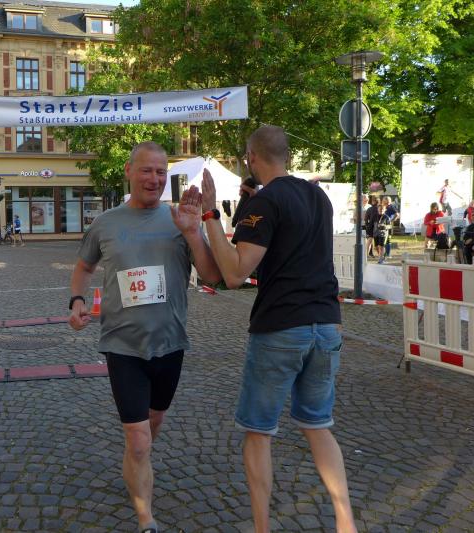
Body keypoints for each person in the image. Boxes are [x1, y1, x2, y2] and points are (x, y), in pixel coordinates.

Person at [197, 125, 357, 533]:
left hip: (282, 326)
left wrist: (211, 215)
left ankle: (262, 527)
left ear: (251, 157)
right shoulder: (318, 197)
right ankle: (346, 522)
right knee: (318, 426)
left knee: (258, 431)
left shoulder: (265, 203)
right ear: (286, 155)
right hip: (327, 325)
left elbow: (234, 274)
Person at [67, 141, 221, 533]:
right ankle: (146, 519)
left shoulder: (179, 219)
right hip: (122, 344)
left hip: (170, 343)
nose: (154, 179)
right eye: (146, 170)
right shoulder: (106, 223)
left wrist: (193, 231)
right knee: (138, 440)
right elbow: (83, 267)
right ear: (129, 171)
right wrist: (77, 300)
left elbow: (212, 277)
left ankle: (136, 460)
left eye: (160, 172)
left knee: (151, 427)